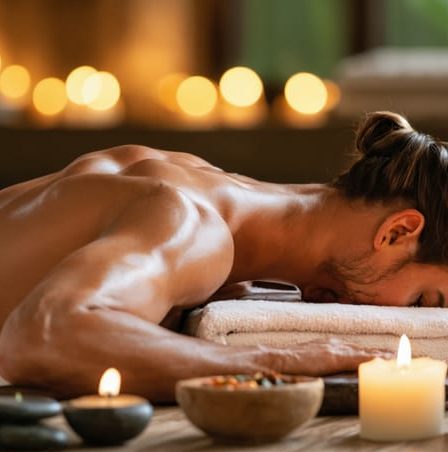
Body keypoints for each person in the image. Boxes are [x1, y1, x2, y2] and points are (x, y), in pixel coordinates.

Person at [0, 111, 446, 401]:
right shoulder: (191, 223)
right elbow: (44, 332)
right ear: (398, 232)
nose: (413, 320)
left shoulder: (200, 186)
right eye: (424, 303)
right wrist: (280, 362)